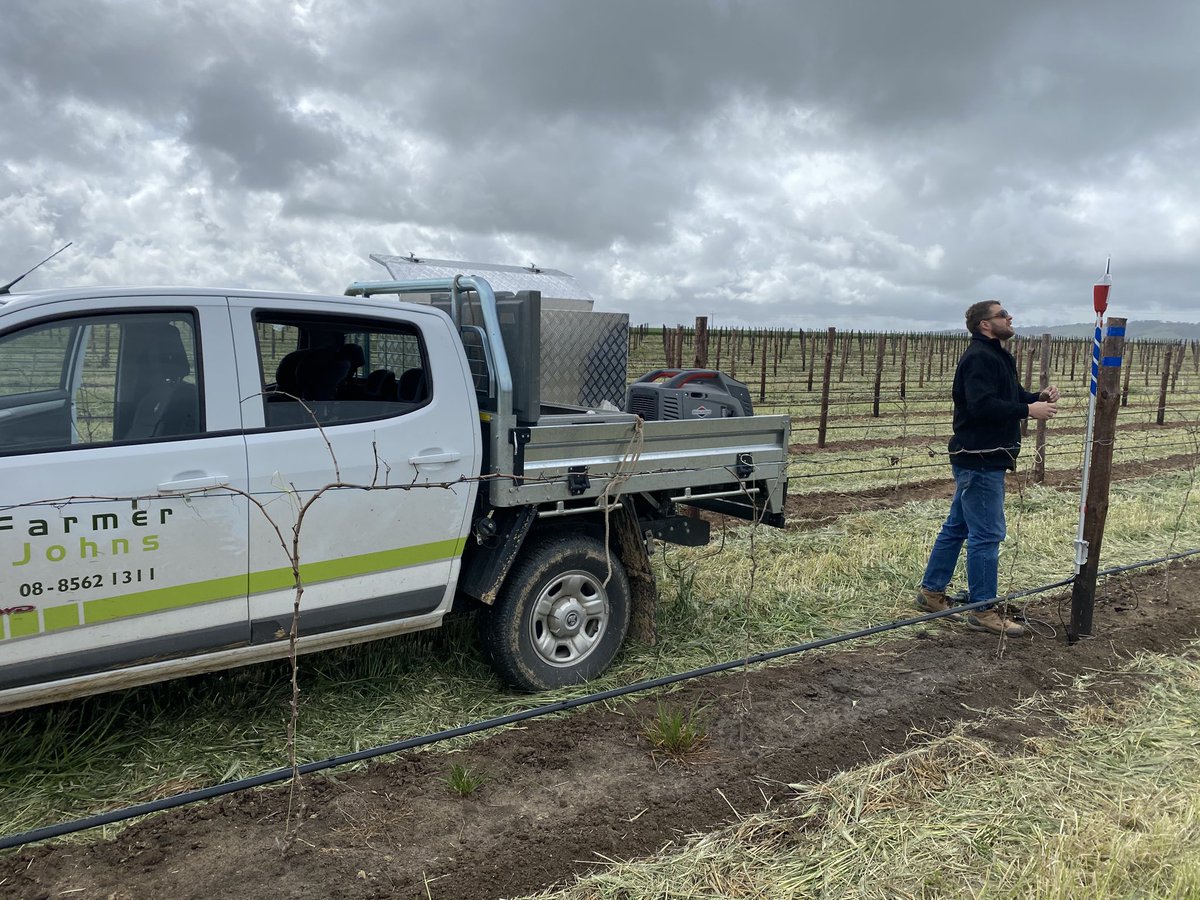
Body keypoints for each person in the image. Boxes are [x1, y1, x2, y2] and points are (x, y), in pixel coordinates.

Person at [915, 301, 1060, 636]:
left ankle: (932, 593)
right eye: (1003, 315)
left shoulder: (996, 355)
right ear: (985, 324)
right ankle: (983, 609)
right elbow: (981, 405)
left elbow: (1006, 395)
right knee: (988, 534)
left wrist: (1035, 397)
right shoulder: (980, 357)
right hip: (980, 458)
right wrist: (1027, 410)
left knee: (957, 527)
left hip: (981, 455)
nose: (1010, 318)